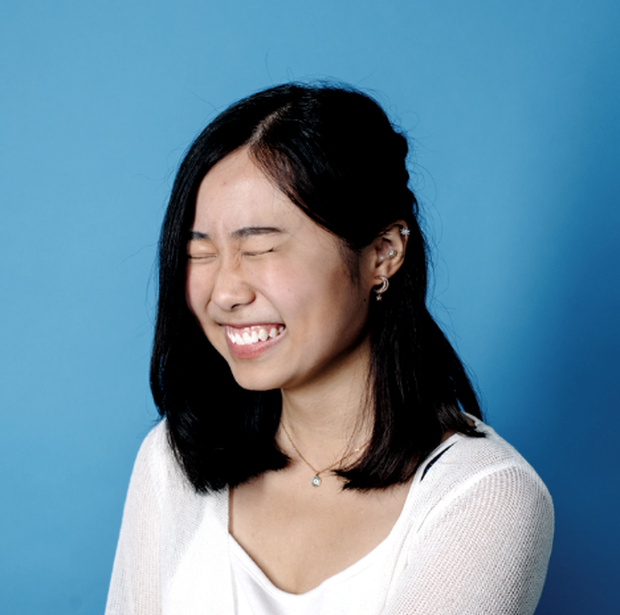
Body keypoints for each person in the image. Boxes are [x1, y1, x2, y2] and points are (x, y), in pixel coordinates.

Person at [105, 83, 554, 615]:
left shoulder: (485, 495)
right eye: (199, 254)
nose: (224, 293)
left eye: (260, 247)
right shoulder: (173, 462)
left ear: (383, 253)